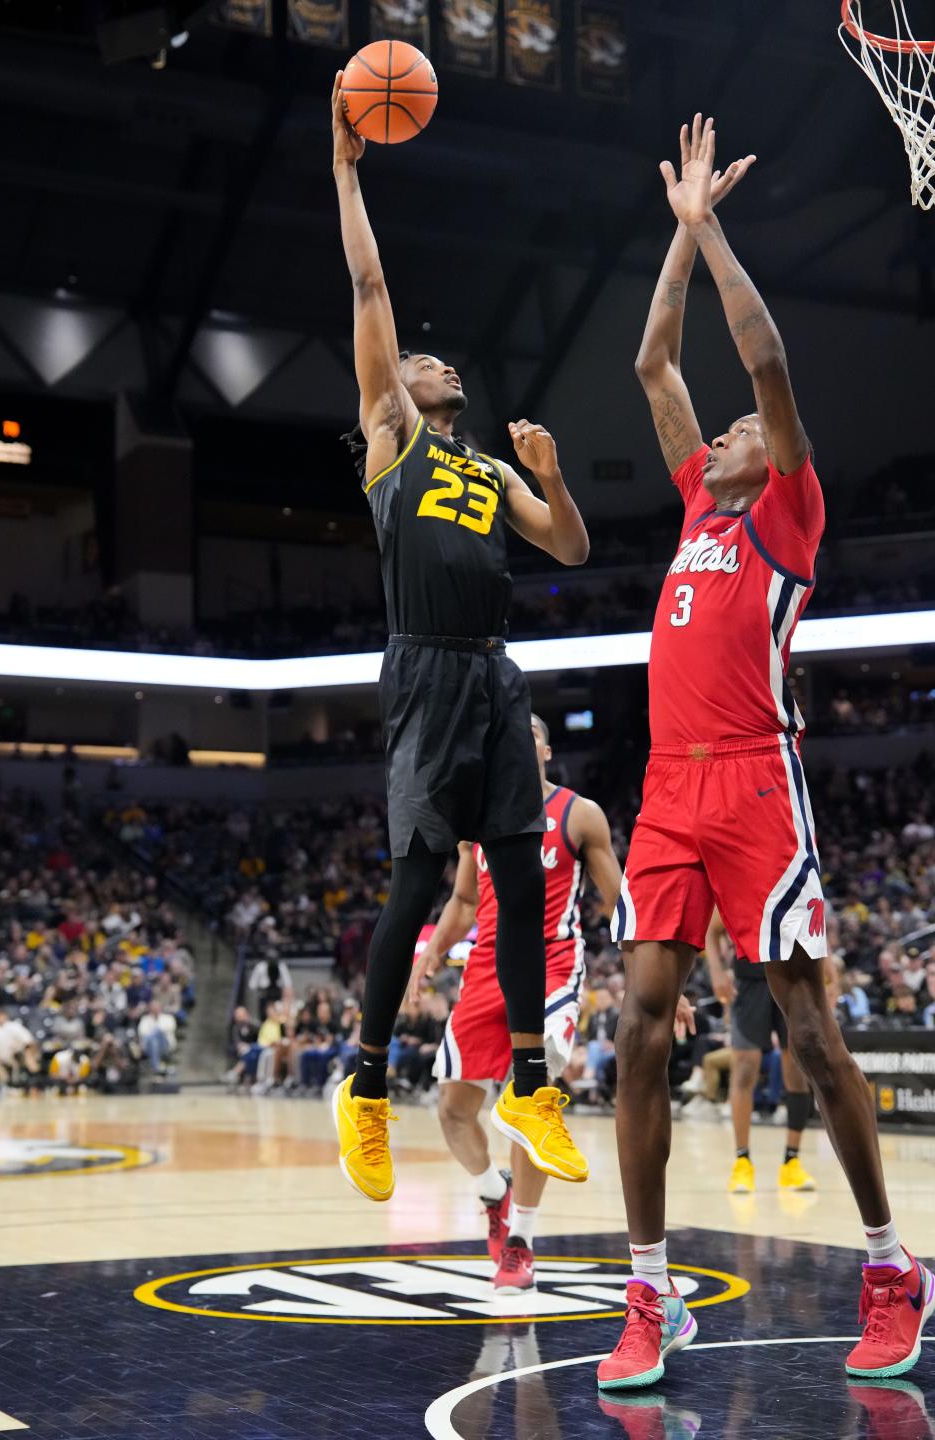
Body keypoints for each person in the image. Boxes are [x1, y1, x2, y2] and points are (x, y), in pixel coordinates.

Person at [600, 115, 933, 1392]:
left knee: (806, 1029)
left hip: (755, 775)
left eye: (743, 427)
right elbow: (652, 360)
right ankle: (649, 1290)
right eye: (725, 429)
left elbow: (768, 360)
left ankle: (893, 1265)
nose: (731, 427)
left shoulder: (787, 510)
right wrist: (673, 242)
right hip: (669, 788)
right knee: (637, 1032)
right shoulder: (697, 498)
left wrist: (714, 227)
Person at [330, 72, 591, 1203]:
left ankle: (532, 1079)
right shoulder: (393, 435)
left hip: (493, 671)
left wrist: (552, 478)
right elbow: (372, 279)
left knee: (526, 872)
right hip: (427, 666)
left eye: (444, 364)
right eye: (425, 360)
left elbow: (571, 550)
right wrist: (345, 169)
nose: (439, 364)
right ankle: (366, 1082)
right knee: (424, 873)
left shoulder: (487, 468)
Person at [407, 714, 624, 1291]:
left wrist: (658, 983)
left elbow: (620, 902)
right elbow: (460, 900)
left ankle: (521, 1241)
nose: (514, 743)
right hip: (484, 972)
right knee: (452, 1109)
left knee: (530, 1107)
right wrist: (428, 955)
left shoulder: (581, 814)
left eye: (527, 735)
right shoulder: (476, 821)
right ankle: (493, 1194)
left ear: (546, 750)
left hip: (552, 967)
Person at [703, 908, 816, 1194]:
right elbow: (711, 930)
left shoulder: (791, 872)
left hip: (791, 976)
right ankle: (742, 1160)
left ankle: (792, 1161)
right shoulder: (738, 876)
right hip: (749, 980)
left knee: (796, 1069)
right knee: (744, 1067)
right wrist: (716, 970)